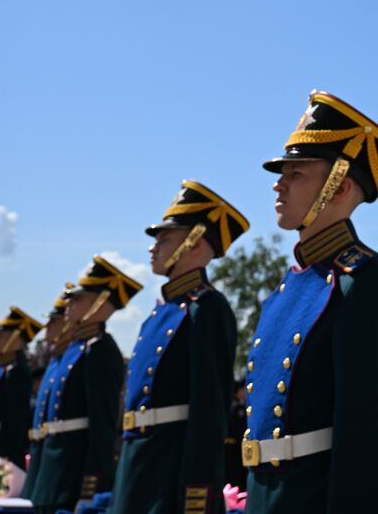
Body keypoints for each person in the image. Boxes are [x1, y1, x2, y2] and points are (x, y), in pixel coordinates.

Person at [241, 91, 378, 513]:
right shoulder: (288, 287)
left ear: (341, 185)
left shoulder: (365, 281)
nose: (279, 183)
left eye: (296, 173)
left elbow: (367, 438)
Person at [109, 179, 248, 514]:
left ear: (195, 244)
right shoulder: (162, 312)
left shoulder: (206, 309)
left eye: (164, 238)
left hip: (168, 476)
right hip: (138, 469)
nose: (153, 248)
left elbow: (209, 412)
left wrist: (196, 492)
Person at [29, 256, 143, 514]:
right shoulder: (75, 349)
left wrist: (91, 486)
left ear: (101, 301)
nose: (68, 304)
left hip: (73, 471)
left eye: (78, 298)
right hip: (53, 471)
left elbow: (102, 423)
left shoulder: (101, 350)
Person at [21, 288, 72, 503]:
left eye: (53, 321)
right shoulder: (56, 360)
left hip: (65, 460)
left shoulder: (86, 353)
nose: (47, 327)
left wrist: (92, 479)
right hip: (45, 454)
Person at [0, 307, 41, 472]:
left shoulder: (17, 372)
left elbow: (13, 422)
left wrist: (5, 458)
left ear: (15, 338)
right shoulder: (1, 369)